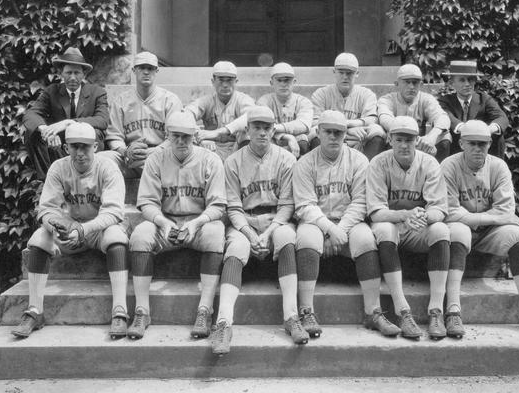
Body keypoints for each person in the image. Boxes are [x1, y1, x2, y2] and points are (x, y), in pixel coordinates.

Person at [11, 123, 129, 338]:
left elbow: (114, 213)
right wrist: (56, 226)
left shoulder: (108, 167)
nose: (80, 152)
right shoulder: (58, 167)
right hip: (69, 229)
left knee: (116, 236)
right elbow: (46, 209)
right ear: (66, 148)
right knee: (39, 238)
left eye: (86, 146)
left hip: (98, 228)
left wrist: (82, 230)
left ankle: (119, 311)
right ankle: (35, 310)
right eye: (75, 147)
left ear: (96, 146)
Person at [292, 110, 401, 340]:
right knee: (307, 238)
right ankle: (306, 311)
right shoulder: (305, 162)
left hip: (348, 221)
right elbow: (304, 205)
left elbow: (362, 201)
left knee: (365, 239)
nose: (333, 137)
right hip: (317, 222)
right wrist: (329, 229)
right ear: (318, 133)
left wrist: (340, 229)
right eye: (328, 132)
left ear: (345, 134)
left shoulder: (358, 160)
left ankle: (373, 311)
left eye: (339, 133)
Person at [442, 120, 519, 339]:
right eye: (472, 143)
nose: (477, 148)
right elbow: (449, 211)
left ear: (490, 144)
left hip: (487, 232)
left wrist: (479, 219)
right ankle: (453, 310)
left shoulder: (498, 166)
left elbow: (506, 211)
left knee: (516, 234)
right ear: (461, 143)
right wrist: (487, 218)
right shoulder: (449, 165)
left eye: (482, 144)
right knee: (458, 230)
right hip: (459, 228)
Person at [211, 106, 307, 356]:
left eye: (267, 128)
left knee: (286, 237)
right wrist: (252, 234)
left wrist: (269, 232)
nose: (262, 133)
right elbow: (232, 207)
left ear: (274, 130)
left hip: (276, 218)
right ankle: (223, 323)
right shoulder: (233, 161)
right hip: (244, 220)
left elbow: (288, 205)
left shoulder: (286, 158)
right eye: (257, 127)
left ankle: (291, 316)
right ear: (247, 129)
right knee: (237, 246)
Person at [127, 112, 226, 340]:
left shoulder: (210, 160)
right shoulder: (156, 159)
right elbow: (147, 202)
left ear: (195, 137)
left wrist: (197, 223)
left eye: (186, 137)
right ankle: (142, 311)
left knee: (216, 232)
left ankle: (205, 310)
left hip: (198, 222)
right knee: (140, 234)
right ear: (166, 136)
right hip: (166, 220)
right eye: (175, 136)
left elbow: (218, 205)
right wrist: (161, 222)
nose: (181, 141)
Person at [366, 115, 450, 340]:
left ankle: (436, 310)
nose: (404, 145)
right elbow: (375, 211)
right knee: (383, 228)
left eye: (410, 140)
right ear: (390, 139)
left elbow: (440, 209)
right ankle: (402, 310)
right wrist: (404, 214)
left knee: (441, 230)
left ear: (417, 140)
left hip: (417, 225)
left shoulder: (429, 163)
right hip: (392, 224)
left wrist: (422, 215)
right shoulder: (378, 163)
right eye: (399, 139)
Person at [23, 47, 109, 180]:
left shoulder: (97, 92)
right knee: (33, 133)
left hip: (85, 144)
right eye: (68, 73)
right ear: (61, 74)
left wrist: (69, 122)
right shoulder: (52, 91)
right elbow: (30, 114)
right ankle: (49, 180)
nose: (73, 78)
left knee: (96, 132)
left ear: (84, 74)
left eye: (77, 73)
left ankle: (88, 178)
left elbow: (102, 120)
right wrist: (46, 131)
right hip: (59, 143)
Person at [101, 51, 182, 177]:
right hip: (130, 156)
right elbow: (114, 136)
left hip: (162, 155)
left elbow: (175, 137)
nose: (146, 72)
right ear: (134, 70)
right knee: (103, 159)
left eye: (150, 68)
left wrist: (155, 151)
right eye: (141, 68)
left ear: (157, 71)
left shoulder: (170, 100)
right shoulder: (121, 101)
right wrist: (125, 151)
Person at [308, 53, 385, 160]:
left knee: (377, 130)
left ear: (357, 73)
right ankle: (322, 168)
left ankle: (367, 170)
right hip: (332, 137)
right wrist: (346, 130)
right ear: (334, 72)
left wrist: (346, 126)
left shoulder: (367, 94)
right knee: (314, 131)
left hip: (358, 139)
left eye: (349, 73)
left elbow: (372, 119)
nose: (345, 77)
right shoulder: (321, 94)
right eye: (341, 72)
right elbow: (315, 121)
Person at [377, 64, 451, 162]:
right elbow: (385, 119)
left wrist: (432, 136)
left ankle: (440, 172)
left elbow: (442, 117)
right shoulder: (387, 100)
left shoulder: (426, 99)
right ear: (397, 84)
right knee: (378, 131)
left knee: (445, 136)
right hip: (396, 145)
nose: (411, 86)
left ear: (421, 85)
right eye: (407, 82)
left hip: (420, 145)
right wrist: (410, 138)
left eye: (415, 83)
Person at [184, 61, 255, 161]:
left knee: (249, 133)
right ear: (213, 81)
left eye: (229, 80)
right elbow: (185, 115)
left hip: (238, 150)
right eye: (221, 80)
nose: (225, 85)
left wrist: (217, 132)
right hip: (212, 149)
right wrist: (199, 136)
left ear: (236, 81)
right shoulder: (207, 100)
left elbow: (252, 116)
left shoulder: (243, 99)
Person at [439, 60, 509, 158]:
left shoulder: (484, 99)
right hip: (456, 148)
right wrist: (465, 129)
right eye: (462, 80)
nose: (467, 84)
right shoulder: (445, 101)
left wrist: (488, 129)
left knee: (499, 137)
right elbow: (447, 117)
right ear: (451, 83)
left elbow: (501, 117)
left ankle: (495, 169)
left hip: (480, 146)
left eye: (471, 79)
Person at [256, 62, 313, 157]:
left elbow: (304, 125)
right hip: (272, 141)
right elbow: (262, 127)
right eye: (279, 80)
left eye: (287, 80)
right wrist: (287, 136)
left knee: (303, 140)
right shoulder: (263, 101)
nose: (283, 84)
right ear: (271, 83)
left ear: (294, 82)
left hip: (296, 142)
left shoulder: (303, 101)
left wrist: (275, 128)